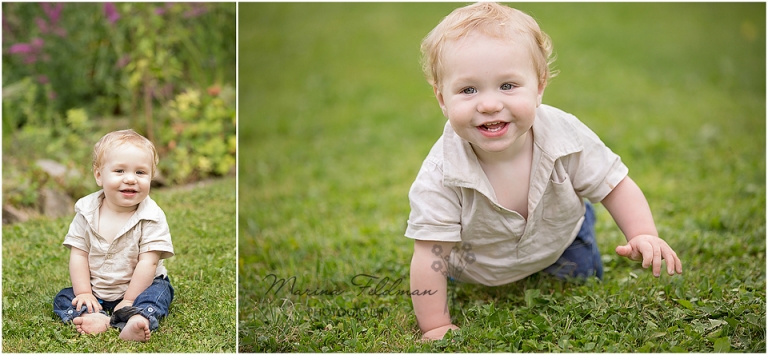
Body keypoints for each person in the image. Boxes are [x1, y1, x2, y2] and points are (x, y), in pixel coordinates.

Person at [406, 2, 683, 341]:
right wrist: (435, 325)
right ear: (442, 99)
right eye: (468, 90)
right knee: (444, 272)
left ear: (538, 87)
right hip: (478, 262)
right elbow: (429, 254)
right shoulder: (441, 173)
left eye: (508, 85)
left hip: (560, 238)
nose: (490, 104)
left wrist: (642, 232)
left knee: (582, 277)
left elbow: (615, 185)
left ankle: (580, 221)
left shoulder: (565, 134)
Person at [53, 129, 174, 342]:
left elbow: (149, 263)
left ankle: (137, 318)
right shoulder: (86, 211)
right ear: (99, 175)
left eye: (140, 173)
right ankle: (94, 316)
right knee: (64, 298)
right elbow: (79, 254)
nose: (130, 179)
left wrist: (129, 299)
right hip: (97, 290)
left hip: (140, 287)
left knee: (158, 295)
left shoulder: (151, 216)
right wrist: (84, 293)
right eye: (119, 171)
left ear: (151, 177)